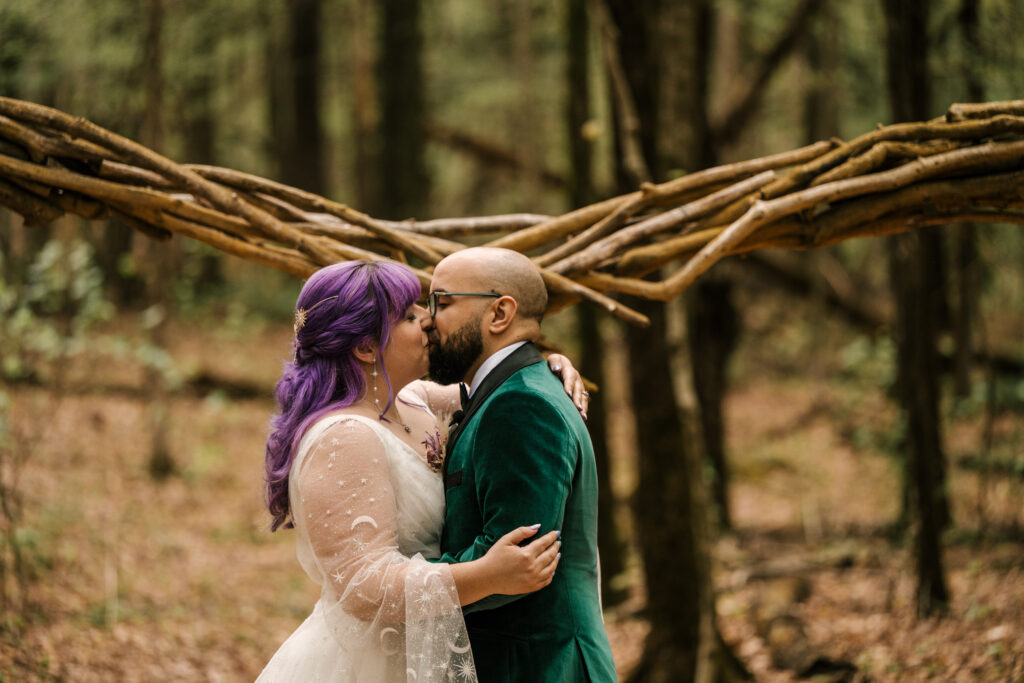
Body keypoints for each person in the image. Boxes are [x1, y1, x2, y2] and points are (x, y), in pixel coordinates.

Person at [257, 260, 589, 682]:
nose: (429, 320)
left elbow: (498, 384)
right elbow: (362, 586)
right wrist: (486, 575)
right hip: (373, 664)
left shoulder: (413, 399)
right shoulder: (344, 437)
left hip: (427, 648)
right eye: (410, 316)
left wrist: (548, 365)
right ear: (366, 347)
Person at [425, 247, 618, 682]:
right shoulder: (510, 391)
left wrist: (397, 584)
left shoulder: (520, 404)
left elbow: (517, 557)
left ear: (499, 314)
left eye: (443, 302)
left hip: (540, 666)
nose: (428, 319)